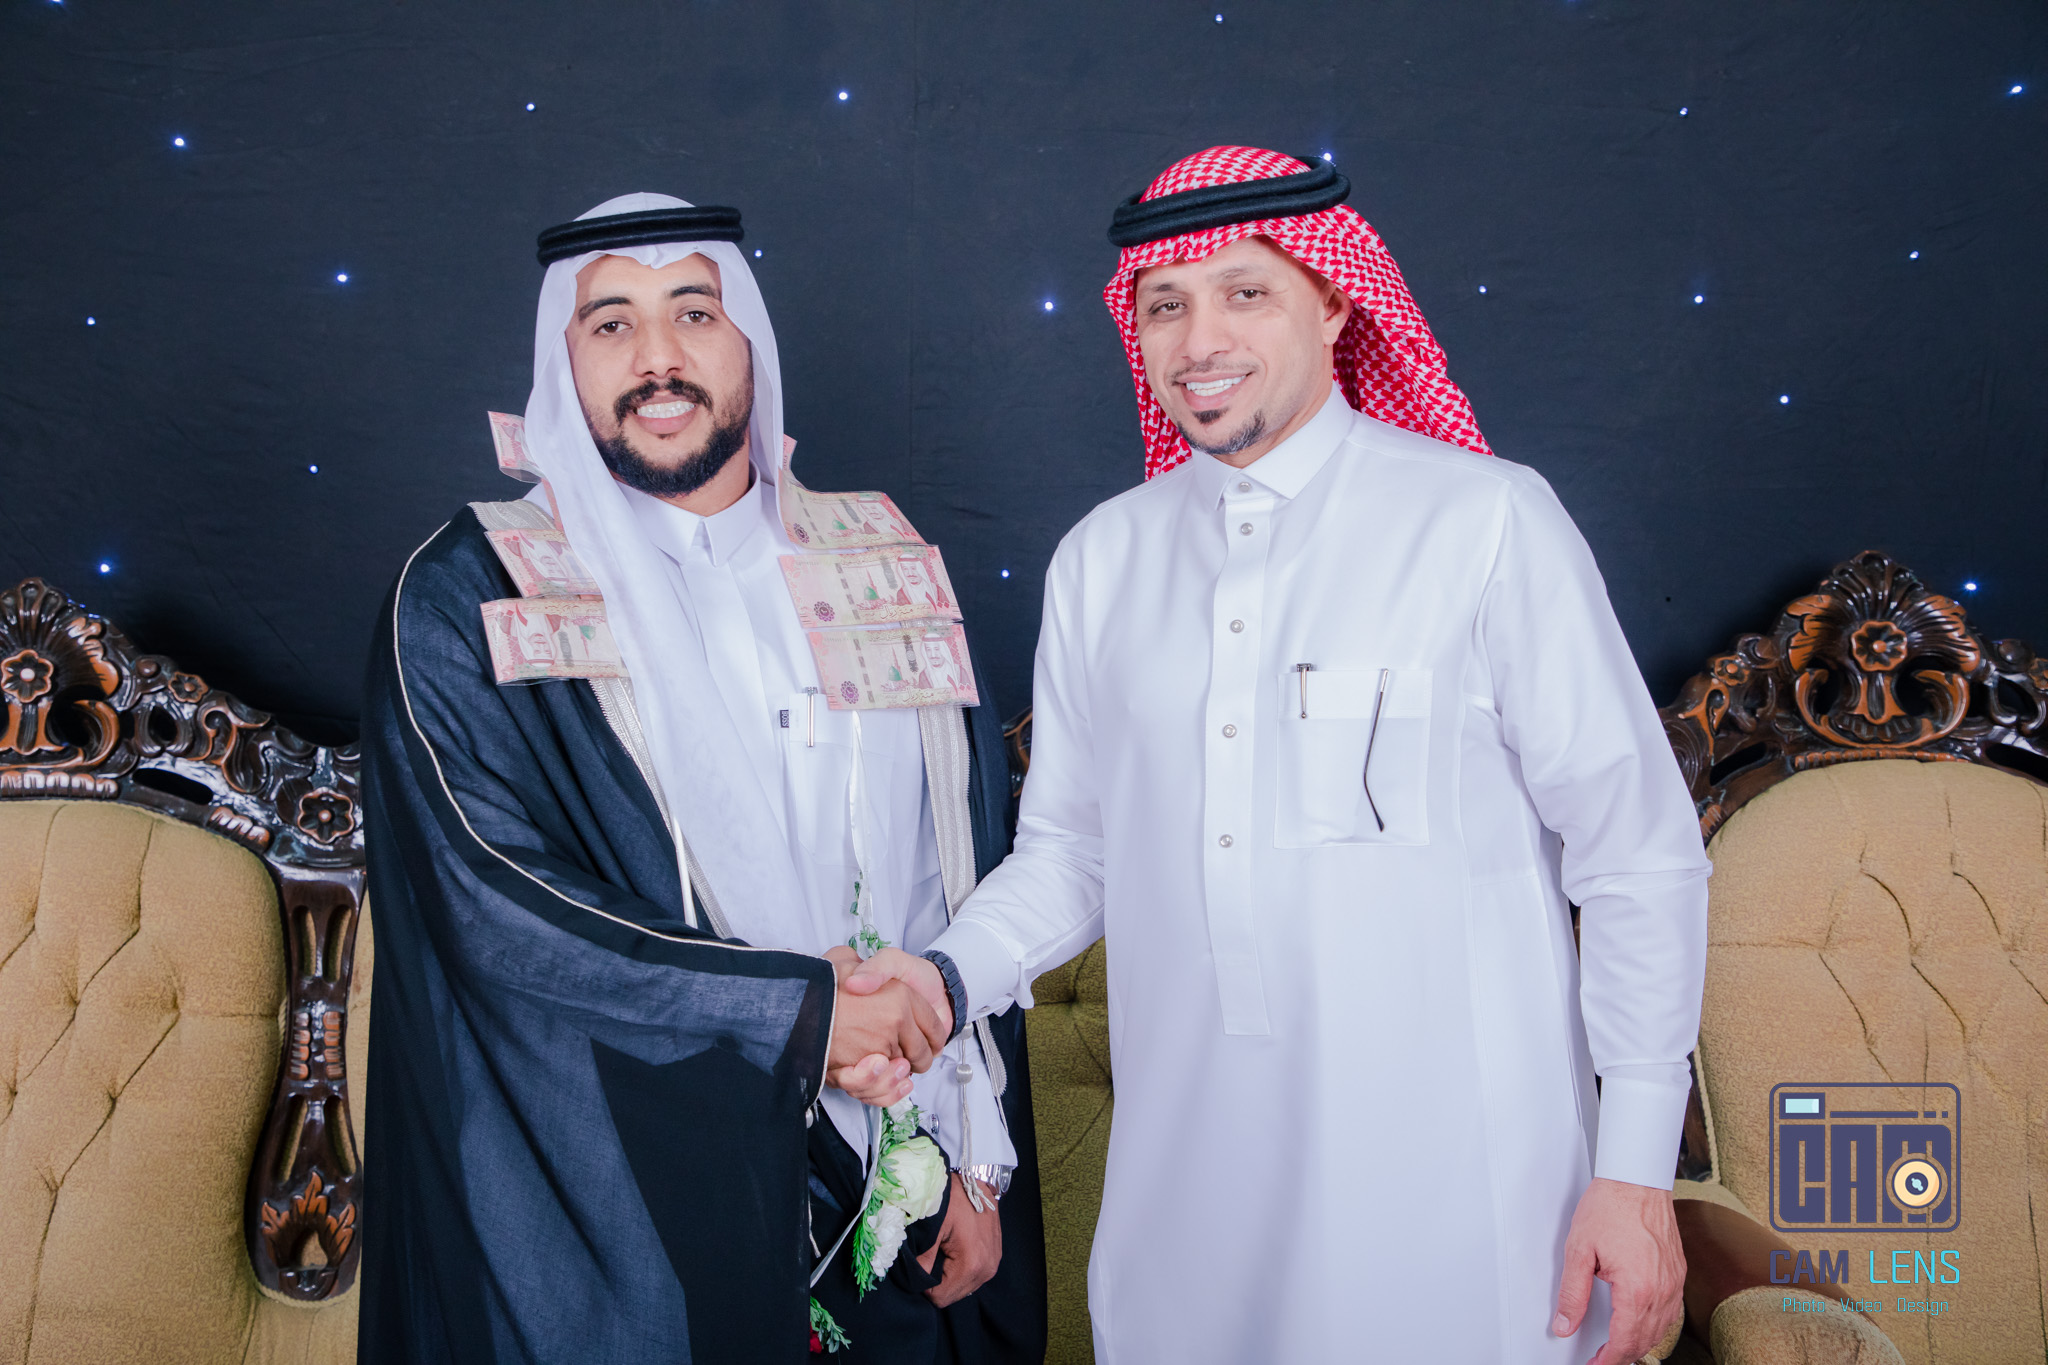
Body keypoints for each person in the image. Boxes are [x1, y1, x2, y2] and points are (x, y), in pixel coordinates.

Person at [850, 147, 1710, 1363]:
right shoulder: (1102, 560)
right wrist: (942, 983)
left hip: (1463, 1201)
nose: (1198, 340)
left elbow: (1635, 856)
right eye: (1164, 304)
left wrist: (1632, 1172)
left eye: (1244, 293)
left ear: (1334, 302)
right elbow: (1071, 854)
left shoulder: (1483, 522)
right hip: (1190, 1204)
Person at [359, 193, 1045, 1364]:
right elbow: (493, 908)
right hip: (626, 1209)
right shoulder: (472, 590)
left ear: (748, 341)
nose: (657, 358)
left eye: (692, 312)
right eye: (611, 324)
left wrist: (975, 1158)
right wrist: (799, 1014)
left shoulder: (877, 560)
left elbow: (953, 869)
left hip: (899, 1182)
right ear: (562, 360)